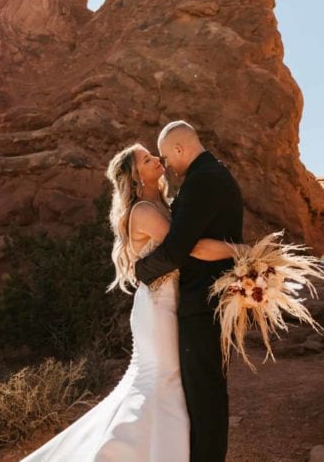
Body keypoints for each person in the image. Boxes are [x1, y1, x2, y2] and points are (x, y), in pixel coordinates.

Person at [21, 139, 234, 461]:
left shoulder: (163, 203)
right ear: (135, 177)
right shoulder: (146, 211)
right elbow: (189, 248)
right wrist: (242, 252)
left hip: (167, 303)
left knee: (161, 382)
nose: (155, 159)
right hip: (158, 307)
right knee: (163, 382)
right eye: (146, 159)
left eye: (152, 154)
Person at [134, 121, 243, 462]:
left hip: (203, 302)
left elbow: (179, 248)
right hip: (201, 301)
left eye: (166, 156)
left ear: (180, 149)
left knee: (205, 396)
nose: (165, 163)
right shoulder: (209, 176)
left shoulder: (203, 180)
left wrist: (139, 272)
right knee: (197, 393)